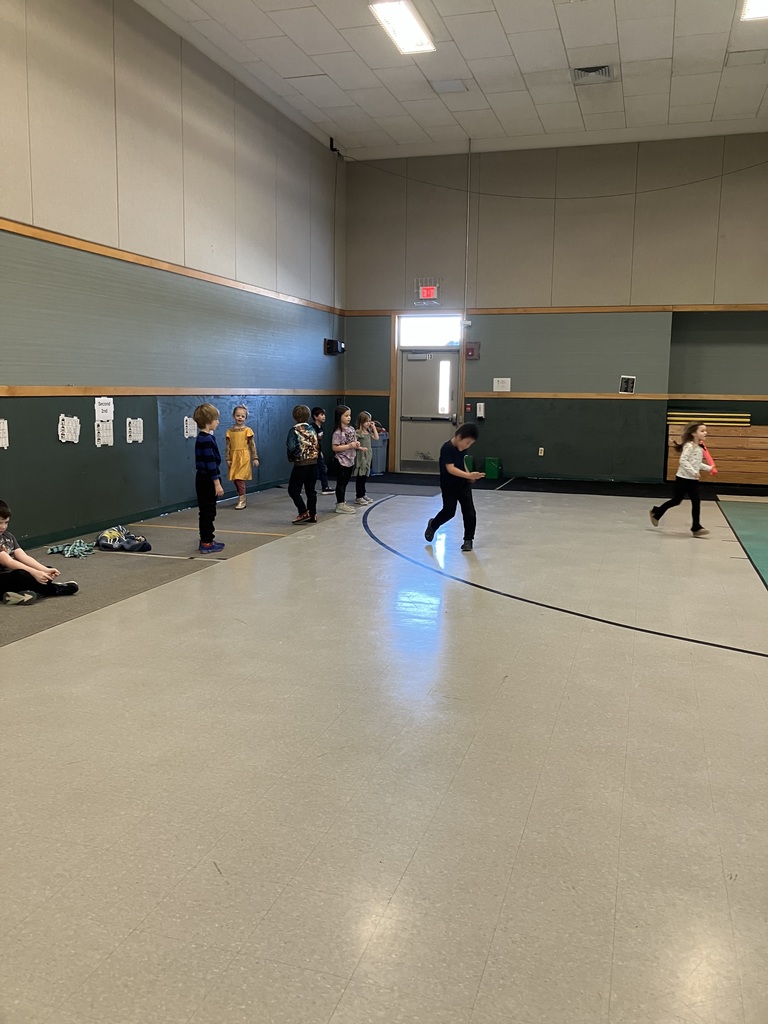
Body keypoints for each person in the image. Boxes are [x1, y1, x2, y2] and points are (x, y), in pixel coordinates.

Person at [0, 499, 79, 605]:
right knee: (22, 574)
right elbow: (8, 562)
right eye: (0, 523)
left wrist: (43, 570)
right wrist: (35, 573)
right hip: (2, 580)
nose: (3, 527)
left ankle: (23, 594)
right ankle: (53, 590)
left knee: (46, 571)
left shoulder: (8, 537)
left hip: (10, 577)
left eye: (6, 523)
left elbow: (23, 556)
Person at [424, 423, 485, 552]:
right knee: (449, 512)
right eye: (467, 442)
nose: (467, 446)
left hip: (463, 485)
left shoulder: (462, 449)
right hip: (449, 486)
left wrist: (469, 476)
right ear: (458, 437)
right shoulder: (447, 448)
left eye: (470, 444)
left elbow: (462, 463)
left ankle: (468, 539)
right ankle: (433, 525)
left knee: (469, 512)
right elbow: (450, 469)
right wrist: (468, 474)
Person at [649, 421, 713, 537]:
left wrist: (708, 468)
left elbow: (696, 463)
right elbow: (683, 461)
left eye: (705, 430)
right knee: (676, 500)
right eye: (702, 431)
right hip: (683, 479)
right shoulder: (689, 446)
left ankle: (696, 528)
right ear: (694, 433)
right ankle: (656, 512)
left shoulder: (699, 447)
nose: (705, 433)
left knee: (696, 502)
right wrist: (693, 472)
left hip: (692, 480)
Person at [194, 403, 225, 553]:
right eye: (216, 419)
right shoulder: (205, 439)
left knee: (208, 510)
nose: (218, 422)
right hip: (206, 480)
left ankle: (207, 538)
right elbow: (210, 463)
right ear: (209, 421)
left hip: (204, 478)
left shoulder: (205, 437)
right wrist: (217, 484)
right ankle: (206, 541)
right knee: (208, 511)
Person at [286, 405, 319, 524]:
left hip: (301, 464)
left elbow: (291, 447)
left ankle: (303, 511)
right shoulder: (312, 429)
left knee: (293, 490)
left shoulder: (294, 430)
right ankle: (313, 514)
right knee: (311, 490)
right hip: (314, 463)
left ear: (294, 416)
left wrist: (292, 458)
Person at [225, 405, 259, 510]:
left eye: (242, 416)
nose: (240, 418)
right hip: (234, 456)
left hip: (244, 456)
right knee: (235, 478)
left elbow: (252, 445)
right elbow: (228, 446)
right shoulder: (230, 432)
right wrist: (228, 458)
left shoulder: (247, 430)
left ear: (245, 418)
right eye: (238, 415)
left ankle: (242, 500)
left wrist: (255, 457)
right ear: (234, 416)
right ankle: (240, 494)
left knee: (239, 478)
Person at [332, 405, 363, 514]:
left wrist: (357, 445)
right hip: (341, 461)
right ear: (340, 416)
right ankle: (340, 504)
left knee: (345, 483)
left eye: (349, 415)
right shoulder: (338, 432)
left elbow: (354, 442)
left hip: (350, 460)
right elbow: (335, 447)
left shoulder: (351, 429)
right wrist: (349, 446)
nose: (349, 418)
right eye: (346, 416)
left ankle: (342, 502)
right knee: (341, 483)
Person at [352, 410, 379, 506]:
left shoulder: (368, 432)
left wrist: (373, 427)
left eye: (369, 421)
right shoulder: (358, 433)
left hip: (368, 456)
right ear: (361, 422)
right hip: (361, 456)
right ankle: (359, 496)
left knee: (364, 477)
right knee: (360, 476)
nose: (368, 423)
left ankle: (363, 494)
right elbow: (354, 444)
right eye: (366, 421)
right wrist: (360, 448)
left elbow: (376, 437)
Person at [311, 407, 333, 495]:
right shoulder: (312, 428)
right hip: (313, 453)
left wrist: (321, 452)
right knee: (312, 471)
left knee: (323, 469)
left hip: (318, 452)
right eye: (321, 415)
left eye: (324, 414)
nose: (324, 416)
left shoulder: (321, 428)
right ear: (315, 416)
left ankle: (325, 487)